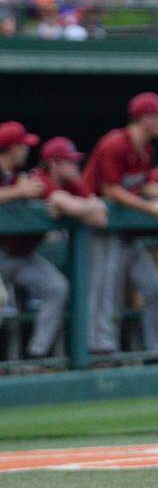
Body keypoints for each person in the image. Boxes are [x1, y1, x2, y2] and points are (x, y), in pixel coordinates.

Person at [83, 93, 158, 354]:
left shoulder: (145, 147)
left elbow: (144, 184)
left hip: (126, 235)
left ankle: (153, 348)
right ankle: (99, 349)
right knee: (105, 291)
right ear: (144, 118)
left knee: (156, 289)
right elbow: (111, 190)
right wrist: (149, 207)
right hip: (99, 230)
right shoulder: (115, 144)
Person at [0, 130, 107, 360]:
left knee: (57, 287)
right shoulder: (39, 180)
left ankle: (36, 355)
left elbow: (101, 217)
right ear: (55, 163)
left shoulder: (20, 176)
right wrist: (70, 205)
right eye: (70, 161)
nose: (27, 150)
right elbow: (80, 208)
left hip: (23, 255)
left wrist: (75, 203)